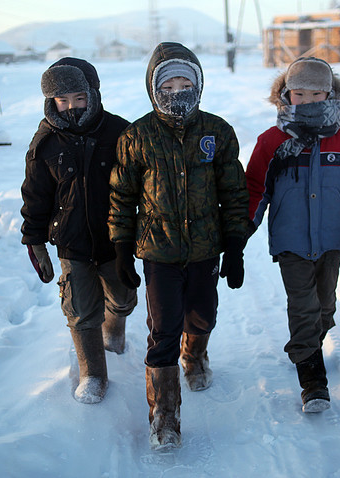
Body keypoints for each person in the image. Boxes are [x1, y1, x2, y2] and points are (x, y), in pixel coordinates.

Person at [108, 42, 249, 449]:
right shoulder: (136, 136)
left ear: (199, 85)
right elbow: (121, 197)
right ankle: (164, 416)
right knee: (163, 329)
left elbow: (234, 193)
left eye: (185, 82)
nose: (177, 91)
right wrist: (121, 247)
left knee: (202, 316)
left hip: (206, 248)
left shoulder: (217, 132)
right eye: (167, 84)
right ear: (153, 89)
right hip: (158, 252)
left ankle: (195, 354)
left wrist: (235, 247)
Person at [245, 57, 340, 413]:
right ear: (286, 95)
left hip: (331, 241)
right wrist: (239, 234)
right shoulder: (272, 142)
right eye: (299, 94)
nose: (308, 101)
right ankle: (313, 381)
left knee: (325, 308)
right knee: (304, 307)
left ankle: (308, 343)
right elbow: (254, 189)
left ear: (329, 94)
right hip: (290, 242)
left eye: (316, 93)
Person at [20, 57, 137, 404]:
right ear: (51, 101)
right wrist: (34, 239)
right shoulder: (46, 141)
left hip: (115, 240)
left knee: (122, 298)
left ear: (93, 94)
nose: (70, 108)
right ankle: (93, 374)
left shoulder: (119, 132)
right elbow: (36, 194)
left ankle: (114, 333)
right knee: (81, 310)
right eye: (62, 100)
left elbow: (140, 187)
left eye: (78, 98)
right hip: (72, 242)